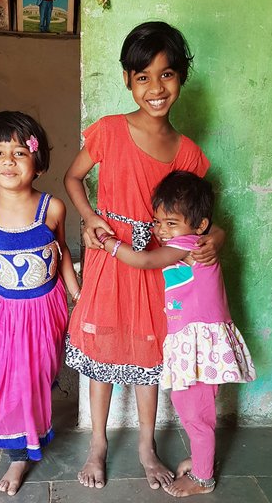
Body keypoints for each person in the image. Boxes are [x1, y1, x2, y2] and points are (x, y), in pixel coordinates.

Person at [64, 21, 225, 490]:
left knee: (148, 354)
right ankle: (98, 443)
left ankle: (146, 446)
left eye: (167, 75)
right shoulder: (110, 131)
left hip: (160, 269)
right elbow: (73, 179)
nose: (156, 88)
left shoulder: (190, 154)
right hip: (109, 258)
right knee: (104, 348)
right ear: (126, 80)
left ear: (181, 78)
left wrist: (217, 236)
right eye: (143, 77)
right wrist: (91, 217)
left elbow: (203, 216)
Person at [97, 170, 257, 496]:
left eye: (171, 223)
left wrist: (109, 243)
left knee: (196, 414)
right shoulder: (194, 239)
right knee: (192, 409)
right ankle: (201, 461)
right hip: (193, 341)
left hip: (197, 342)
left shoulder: (187, 245)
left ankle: (203, 479)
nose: (162, 230)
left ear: (199, 226)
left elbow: (144, 261)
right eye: (159, 222)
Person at [0, 111, 80, 496]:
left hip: (45, 307)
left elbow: (62, 255)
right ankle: (19, 454)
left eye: (20, 152)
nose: (9, 160)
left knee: (40, 369)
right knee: (9, 374)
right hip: (3, 309)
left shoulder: (52, 207)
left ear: (38, 163)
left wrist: (78, 294)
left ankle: (34, 420)